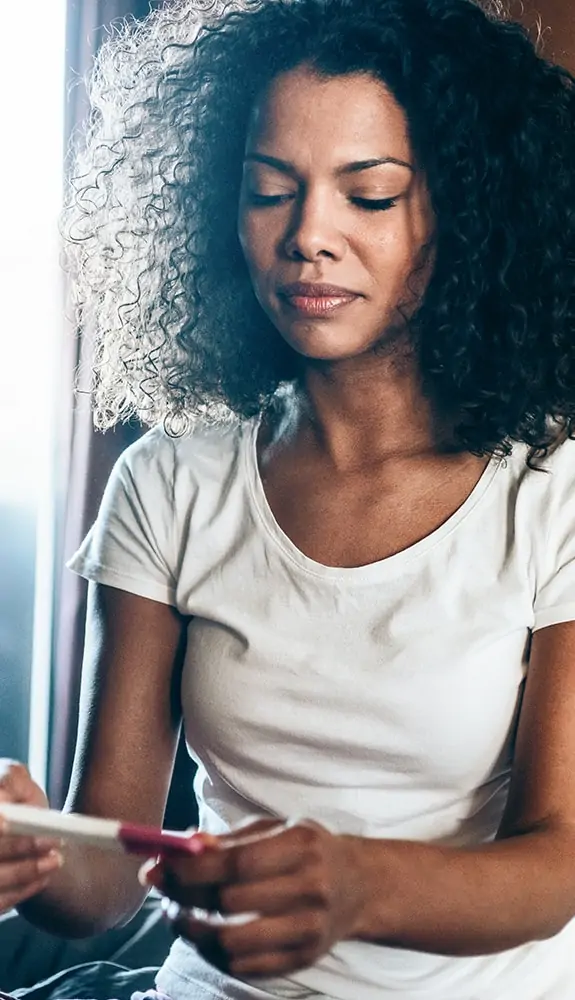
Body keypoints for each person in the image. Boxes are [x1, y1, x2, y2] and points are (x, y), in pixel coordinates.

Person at [1, 0, 575, 997]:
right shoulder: (169, 482)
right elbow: (105, 875)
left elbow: (556, 859)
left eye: (369, 194)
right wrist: (34, 856)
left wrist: (360, 884)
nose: (308, 234)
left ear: (461, 209)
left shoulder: (548, 492)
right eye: (271, 191)